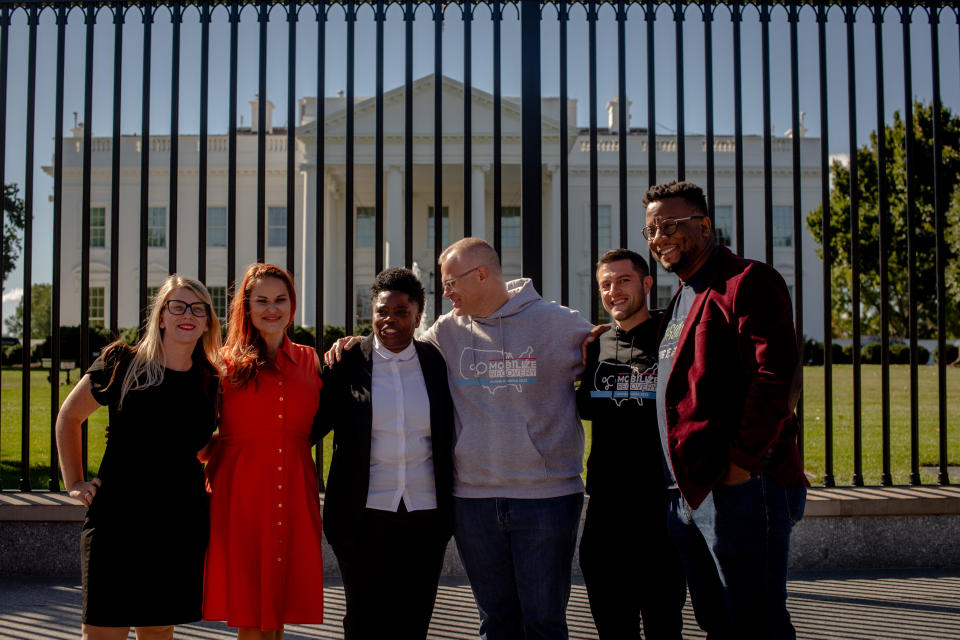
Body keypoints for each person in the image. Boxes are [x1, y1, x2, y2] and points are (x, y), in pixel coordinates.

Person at [327, 237, 593, 640]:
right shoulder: (440, 334)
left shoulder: (553, 324)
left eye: (450, 283)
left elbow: (613, 349)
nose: (445, 291)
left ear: (481, 275)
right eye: (443, 284)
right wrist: (347, 345)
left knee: (542, 620)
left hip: (540, 500)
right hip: (464, 504)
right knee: (493, 620)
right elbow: (385, 349)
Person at [644, 180, 808, 639]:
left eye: (670, 226)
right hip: (689, 493)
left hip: (740, 488)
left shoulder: (747, 281)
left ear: (705, 225)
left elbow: (778, 379)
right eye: (651, 231)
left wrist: (741, 463)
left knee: (756, 621)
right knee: (717, 621)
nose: (659, 238)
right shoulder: (681, 296)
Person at [55, 275, 221, 640]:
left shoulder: (211, 381)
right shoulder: (122, 362)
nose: (187, 315)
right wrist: (75, 483)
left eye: (198, 308)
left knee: (159, 629)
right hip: (117, 521)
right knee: (102, 631)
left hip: (179, 523)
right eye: (177, 306)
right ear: (161, 316)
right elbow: (69, 417)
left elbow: (204, 445)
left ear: (208, 321)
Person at [314, 267, 454, 640]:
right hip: (362, 517)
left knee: (414, 621)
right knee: (363, 622)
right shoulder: (346, 362)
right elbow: (311, 427)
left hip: (426, 515)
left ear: (418, 316)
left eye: (400, 312)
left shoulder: (436, 362)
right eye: (381, 311)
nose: (389, 320)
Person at [203, 263, 324, 640]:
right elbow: (194, 431)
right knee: (252, 613)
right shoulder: (223, 365)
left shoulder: (312, 360)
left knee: (278, 606)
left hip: (293, 488)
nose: (272, 309)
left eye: (280, 299)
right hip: (242, 494)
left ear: (292, 304)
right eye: (262, 301)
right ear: (247, 307)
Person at [576, 248, 686, 639]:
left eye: (623, 280)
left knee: (664, 626)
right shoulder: (596, 345)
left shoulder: (670, 338)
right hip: (606, 510)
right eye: (605, 284)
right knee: (612, 627)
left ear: (647, 283)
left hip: (661, 509)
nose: (613, 290)